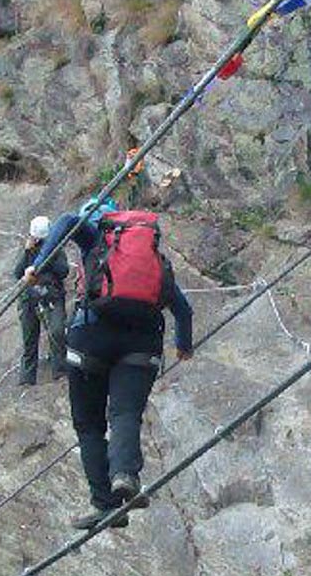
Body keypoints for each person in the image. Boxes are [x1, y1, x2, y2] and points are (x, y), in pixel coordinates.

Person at [25, 198, 193, 529]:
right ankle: (125, 475)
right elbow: (183, 311)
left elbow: (67, 220)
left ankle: (105, 503)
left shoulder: (96, 240)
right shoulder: (153, 263)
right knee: (125, 413)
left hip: (91, 339)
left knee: (89, 425)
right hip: (142, 344)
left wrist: (38, 264)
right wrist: (183, 345)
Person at [12, 215, 69, 386]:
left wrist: (46, 257)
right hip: (29, 298)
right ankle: (27, 379)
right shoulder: (28, 251)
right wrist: (28, 252)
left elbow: (63, 271)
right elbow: (18, 273)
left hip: (51, 295)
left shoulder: (56, 249)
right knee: (29, 339)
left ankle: (60, 371)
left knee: (57, 332)